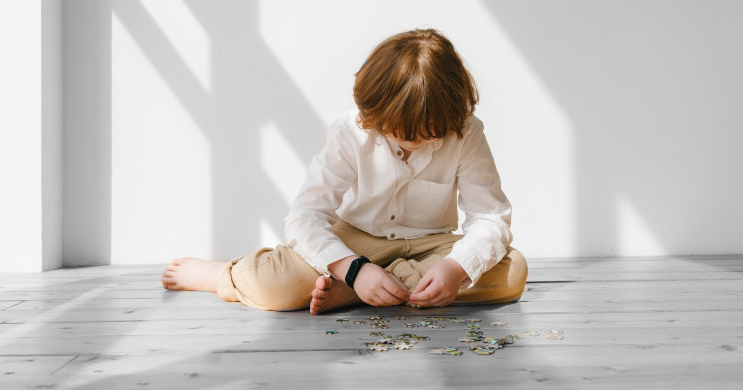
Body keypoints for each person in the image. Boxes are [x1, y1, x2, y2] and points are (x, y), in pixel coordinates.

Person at [161, 28, 528, 314]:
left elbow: (491, 219)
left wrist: (453, 269)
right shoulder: (349, 132)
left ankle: (362, 292)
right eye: (399, 132)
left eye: (429, 133)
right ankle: (221, 275)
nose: (413, 141)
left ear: (451, 117)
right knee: (277, 286)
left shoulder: (466, 131)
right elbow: (305, 218)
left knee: (512, 272)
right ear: (375, 111)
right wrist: (353, 268)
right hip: (355, 239)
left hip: (430, 244)